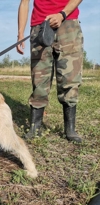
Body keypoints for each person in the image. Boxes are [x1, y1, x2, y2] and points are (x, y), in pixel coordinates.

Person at [17, 0, 83, 143]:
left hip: (68, 22)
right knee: (39, 78)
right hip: (39, 26)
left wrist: (62, 14)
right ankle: (35, 127)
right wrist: (20, 33)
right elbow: (24, 3)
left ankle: (70, 129)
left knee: (70, 77)